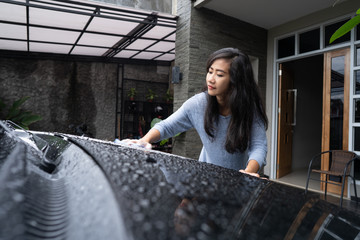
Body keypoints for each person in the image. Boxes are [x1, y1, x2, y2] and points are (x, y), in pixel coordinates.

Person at [125, 47, 268, 177]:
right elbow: (166, 126)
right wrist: (144, 140)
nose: (210, 79)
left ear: (236, 80)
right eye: (210, 71)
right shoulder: (199, 103)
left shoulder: (251, 107)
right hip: (204, 179)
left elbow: (259, 145)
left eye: (219, 74)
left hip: (238, 181)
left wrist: (248, 172)